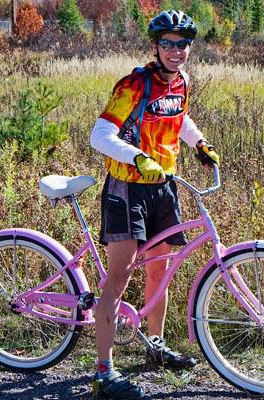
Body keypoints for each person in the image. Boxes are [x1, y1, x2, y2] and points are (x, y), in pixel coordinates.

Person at [89, 9, 220, 400]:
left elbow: (178, 119)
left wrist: (199, 144)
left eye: (183, 44)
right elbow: (100, 135)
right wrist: (137, 157)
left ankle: (155, 345)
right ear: (156, 46)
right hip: (127, 188)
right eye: (168, 43)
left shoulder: (181, 82)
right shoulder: (133, 84)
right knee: (120, 278)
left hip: (163, 187)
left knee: (159, 271)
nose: (176, 51)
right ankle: (103, 372)